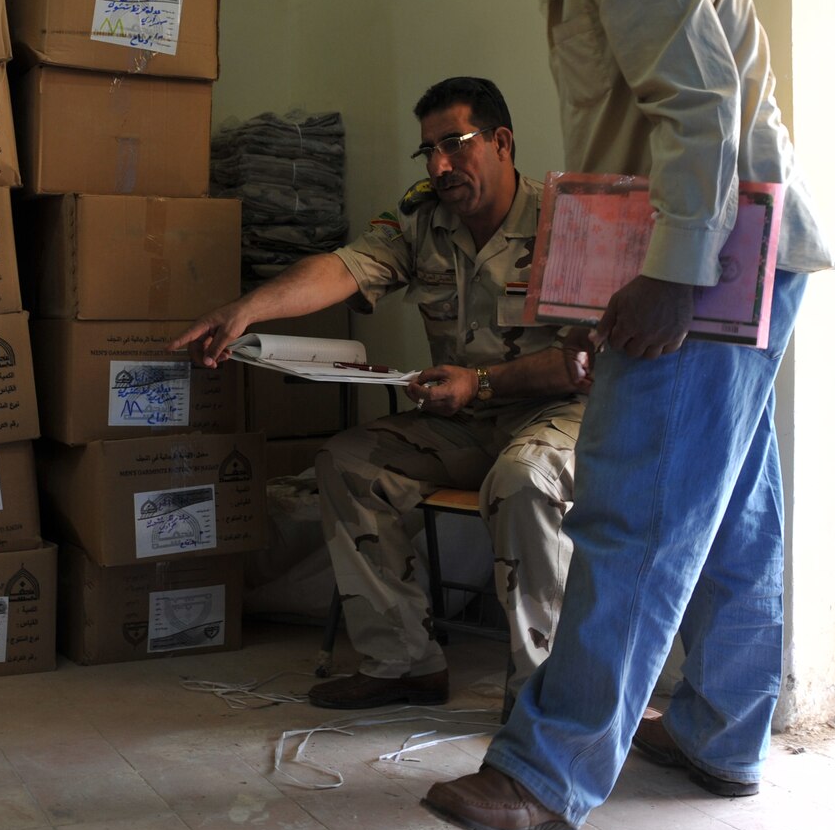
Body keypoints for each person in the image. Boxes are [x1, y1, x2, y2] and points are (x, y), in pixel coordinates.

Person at [417, 0, 835, 830]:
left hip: (706, 259)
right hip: (736, 252)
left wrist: (672, 273)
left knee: (630, 512)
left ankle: (544, 775)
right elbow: (643, 128)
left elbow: (696, 104)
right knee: (732, 513)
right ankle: (719, 732)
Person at [173, 76, 590, 713]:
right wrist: (247, 310)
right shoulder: (424, 222)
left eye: (455, 144)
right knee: (348, 464)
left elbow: (583, 363)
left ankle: (547, 698)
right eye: (428, 151)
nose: (439, 166)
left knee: (524, 478)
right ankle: (403, 664)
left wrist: (480, 381)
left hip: (555, 417)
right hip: (465, 420)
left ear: (502, 143)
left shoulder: (568, 223)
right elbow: (342, 268)